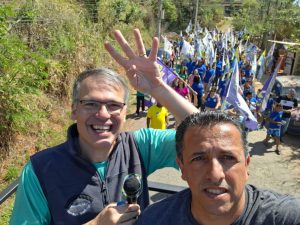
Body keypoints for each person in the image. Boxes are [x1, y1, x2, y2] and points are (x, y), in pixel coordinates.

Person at [10, 29, 198, 225]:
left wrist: (158, 88)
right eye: (91, 104)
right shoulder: (41, 170)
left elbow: (207, 135)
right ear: (74, 110)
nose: (103, 114)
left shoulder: (141, 146)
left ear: (125, 112)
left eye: (114, 105)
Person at [135, 112, 300, 225]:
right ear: (182, 169)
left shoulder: (286, 218)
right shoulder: (154, 219)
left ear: (246, 165)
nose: (215, 175)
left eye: (228, 158)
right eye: (199, 158)